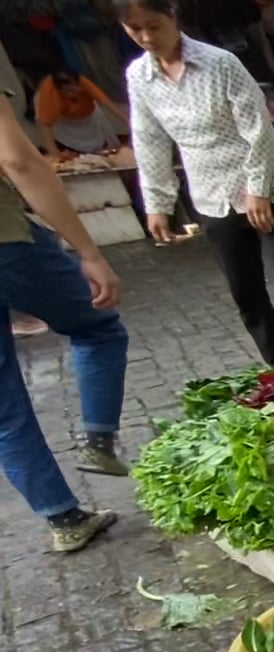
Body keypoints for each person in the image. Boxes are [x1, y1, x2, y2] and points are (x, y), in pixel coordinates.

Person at [120, 0, 274, 372]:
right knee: (246, 294)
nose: (145, 37)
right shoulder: (139, 76)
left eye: (153, 26)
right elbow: (149, 139)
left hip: (267, 187)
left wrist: (257, 189)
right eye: (134, 29)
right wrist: (157, 202)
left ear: (172, 17)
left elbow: (257, 128)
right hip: (211, 197)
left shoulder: (220, 63)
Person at [0, 90, 128, 552]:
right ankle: (97, 440)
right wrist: (88, 251)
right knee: (98, 325)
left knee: (3, 409)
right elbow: (18, 160)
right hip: (6, 244)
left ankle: (64, 518)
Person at [35, 69, 130, 158]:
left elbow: (108, 104)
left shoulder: (83, 83)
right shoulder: (49, 95)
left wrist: (130, 123)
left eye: (75, 88)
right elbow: (45, 127)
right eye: (68, 91)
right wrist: (55, 155)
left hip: (87, 115)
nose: (73, 93)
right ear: (60, 89)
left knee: (104, 141)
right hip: (65, 124)